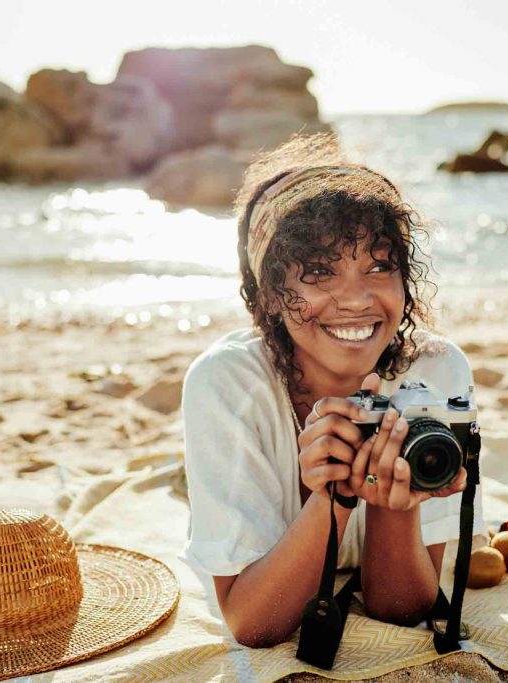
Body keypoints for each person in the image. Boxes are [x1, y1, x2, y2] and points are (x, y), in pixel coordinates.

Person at [179, 133, 486, 648]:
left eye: (379, 266)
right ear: (271, 296)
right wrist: (335, 498)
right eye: (320, 272)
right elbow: (252, 623)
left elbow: (401, 608)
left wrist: (397, 503)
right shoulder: (226, 383)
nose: (355, 299)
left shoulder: (435, 371)